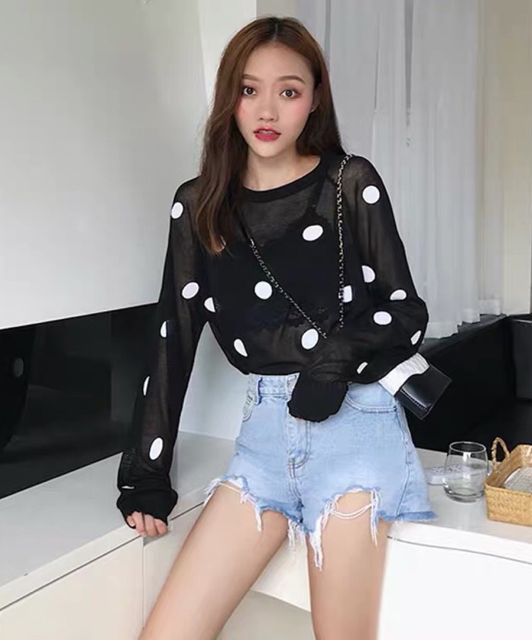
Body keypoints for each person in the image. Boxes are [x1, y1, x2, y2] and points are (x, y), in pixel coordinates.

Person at [116, 15, 435, 640]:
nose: (267, 110)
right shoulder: (198, 203)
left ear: (314, 99)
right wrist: (145, 474)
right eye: (248, 89)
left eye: (289, 90)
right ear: (228, 99)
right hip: (262, 440)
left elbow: (405, 311)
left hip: (355, 434)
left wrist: (335, 360)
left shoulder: (349, 182)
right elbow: (172, 337)